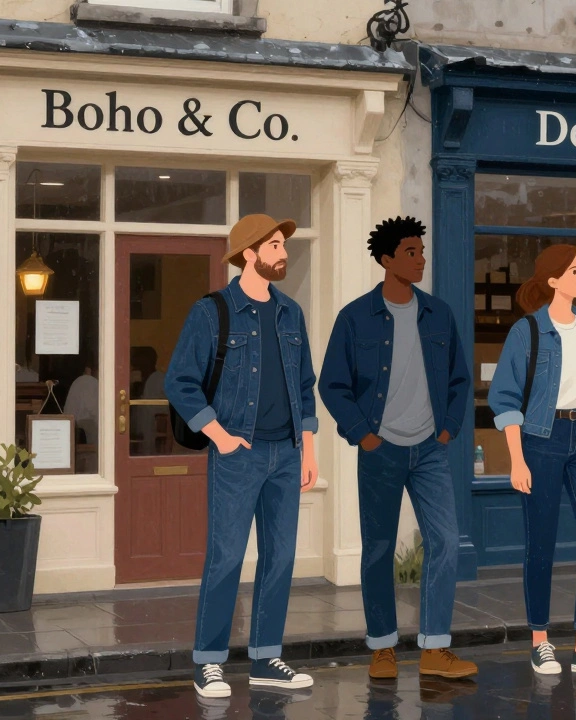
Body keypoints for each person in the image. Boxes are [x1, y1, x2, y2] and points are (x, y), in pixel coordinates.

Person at [165, 214, 319, 698]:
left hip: (287, 453)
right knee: (227, 556)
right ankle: (208, 662)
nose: (283, 253)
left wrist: (308, 449)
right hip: (238, 454)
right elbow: (180, 381)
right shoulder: (212, 312)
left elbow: (306, 387)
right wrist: (220, 436)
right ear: (248, 254)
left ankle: (266, 658)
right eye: (274, 245)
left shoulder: (291, 313)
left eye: (283, 245)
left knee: (281, 557)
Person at [318, 216, 477, 681]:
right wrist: (364, 435)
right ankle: (383, 648)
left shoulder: (439, 314)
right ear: (387, 259)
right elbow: (332, 384)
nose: (421, 259)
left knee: (445, 540)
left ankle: (435, 648)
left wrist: (447, 430)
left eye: (421, 251)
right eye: (411, 252)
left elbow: (459, 378)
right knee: (379, 549)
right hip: (380, 449)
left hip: (430, 449)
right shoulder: (355, 317)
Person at [488, 244, 576, 677]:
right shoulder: (526, 331)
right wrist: (517, 460)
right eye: (574, 271)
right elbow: (505, 398)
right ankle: (540, 641)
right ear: (552, 280)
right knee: (541, 543)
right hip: (540, 440)